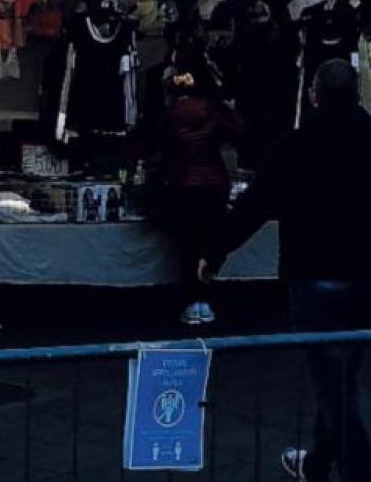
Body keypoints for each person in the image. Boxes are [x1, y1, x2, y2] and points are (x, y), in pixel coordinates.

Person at [202, 60, 371, 482]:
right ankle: (316, 464)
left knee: (335, 385)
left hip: (312, 275)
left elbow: (253, 205)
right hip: (366, 275)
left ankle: (358, 470)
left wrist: (215, 252)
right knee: (341, 379)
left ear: (313, 95)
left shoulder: (294, 147)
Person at [148, 66, 244, 326]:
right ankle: (206, 299)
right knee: (210, 244)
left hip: (183, 187)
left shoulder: (169, 116)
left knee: (188, 247)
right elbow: (238, 133)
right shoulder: (213, 111)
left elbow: (154, 147)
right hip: (215, 186)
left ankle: (192, 302)